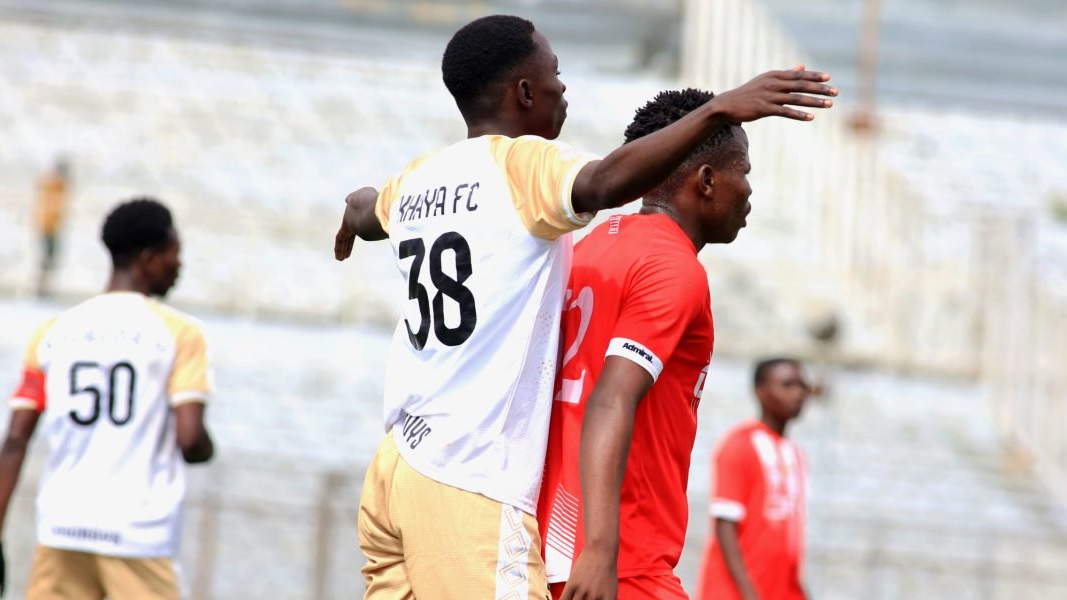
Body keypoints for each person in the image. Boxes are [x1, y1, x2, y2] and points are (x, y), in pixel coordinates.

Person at [333, 14, 838, 600]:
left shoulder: (421, 178)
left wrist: (351, 216)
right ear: (525, 92)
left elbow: (369, 207)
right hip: (469, 473)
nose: (564, 88)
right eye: (556, 74)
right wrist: (720, 108)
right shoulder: (525, 167)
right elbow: (602, 182)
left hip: (397, 464)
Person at [538, 87, 773, 600]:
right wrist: (602, 550)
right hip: (623, 563)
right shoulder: (672, 267)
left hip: (548, 550)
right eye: (746, 173)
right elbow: (612, 396)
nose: (750, 190)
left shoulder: (583, 247)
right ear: (708, 181)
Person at [0, 198, 215, 600]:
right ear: (148, 259)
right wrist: (206, 448)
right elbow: (189, 439)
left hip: (62, 530)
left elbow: (16, 440)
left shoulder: (53, 332)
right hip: (138, 536)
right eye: (173, 254)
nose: (179, 266)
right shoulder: (179, 333)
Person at [696, 358, 812, 600]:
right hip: (735, 593)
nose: (798, 393)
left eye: (802, 385)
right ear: (761, 391)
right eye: (787, 385)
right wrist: (749, 594)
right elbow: (725, 526)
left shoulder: (796, 454)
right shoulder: (740, 444)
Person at [34, 158, 71, 297]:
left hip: (53, 227)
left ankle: (44, 286)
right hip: (47, 227)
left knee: (50, 258)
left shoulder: (58, 185)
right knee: (46, 258)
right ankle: (41, 287)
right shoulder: (52, 184)